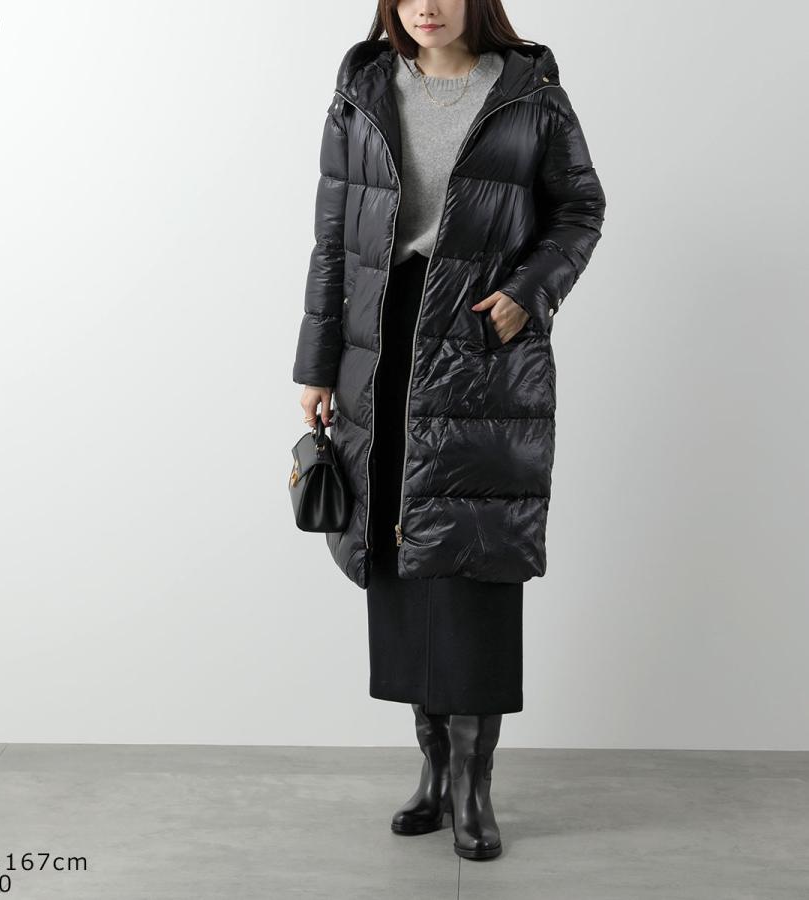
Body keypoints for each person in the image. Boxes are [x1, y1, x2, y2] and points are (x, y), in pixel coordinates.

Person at [292, 0, 606, 862]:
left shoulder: (530, 93)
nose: (425, 7)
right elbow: (331, 242)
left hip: (480, 343)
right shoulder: (361, 91)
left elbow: (580, 210)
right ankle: (431, 773)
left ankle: (473, 786)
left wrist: (527, 294)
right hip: (379, 342)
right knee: (396, 552)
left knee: (475, 555)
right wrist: (317, 366)